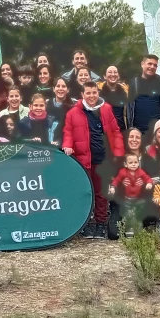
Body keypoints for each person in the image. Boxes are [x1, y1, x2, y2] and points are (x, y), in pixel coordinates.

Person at [63, 80, 124, 239]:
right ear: (82, 95)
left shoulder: (106, 109)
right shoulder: (72, 113)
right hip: (83, 160)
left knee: (101, 193)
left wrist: (118, 153)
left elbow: (116, 132)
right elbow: (68, 132)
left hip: (102, 159)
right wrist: (67, 146)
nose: (91, 96)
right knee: (85, 193)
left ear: (98, 93)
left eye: (94, 92)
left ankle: (100, 224)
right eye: (88, 93)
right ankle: (87, 225)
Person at [125, 55, 160, 136]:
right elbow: (129, 108)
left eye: (155, 65)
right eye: (149, 64)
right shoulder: (134, 83)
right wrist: (130, 127)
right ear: (142, 64)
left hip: (158, 133)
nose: (152, 67)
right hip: (138, 133)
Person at [108, 152, 154, 230]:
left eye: (135, 162)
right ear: (125, 164)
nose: (133, 164)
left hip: (138, 199)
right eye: (131, 163)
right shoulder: (122, 172)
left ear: (138, 163)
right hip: (127, 199)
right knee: (127, 214)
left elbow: (148, 178)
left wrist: (149, 183)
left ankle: (138, 229)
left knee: (137, 215)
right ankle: (127, 228)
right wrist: (113, 187)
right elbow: (116, 180)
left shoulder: (141, 172)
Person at [97, 66, 129, 131]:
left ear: (118, 76)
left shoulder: (125, 92)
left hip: (121, 130)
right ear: (104, 76)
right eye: (110, 72)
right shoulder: (98, 92)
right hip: (104, 131)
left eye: (115, 72)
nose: (113, 74)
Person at [46, 78, 73, 142]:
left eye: (63, 86)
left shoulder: (73, 107)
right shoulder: (46, 104)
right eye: (58, 86)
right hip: (47, 144)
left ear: (68, 90)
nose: (60, 89)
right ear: (53, 89)